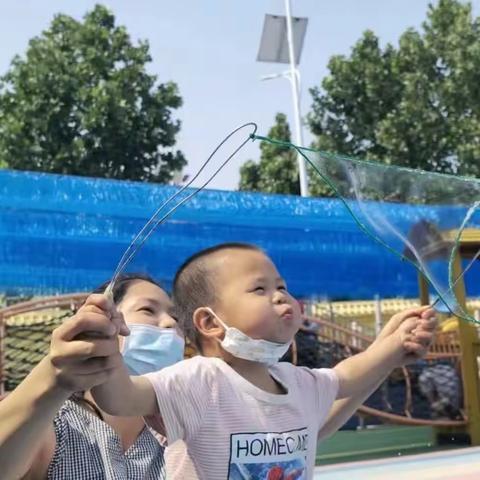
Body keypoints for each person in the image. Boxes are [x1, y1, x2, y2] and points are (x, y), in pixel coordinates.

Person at [89, 243, 436, 479]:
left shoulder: (295, 381)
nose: (281, 296)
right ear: (210, 323)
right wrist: (102, 341)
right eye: (260, 289)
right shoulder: (196, 381)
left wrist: (393, 346)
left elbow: (346, 377)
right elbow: (118, 398)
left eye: (282, 286)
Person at [0, 273, 184, 480]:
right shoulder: (57, 423)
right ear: (102, 321)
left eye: (176, 318)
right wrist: (53, 379)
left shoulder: (177, 442)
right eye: (147, 310)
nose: (170, 323)